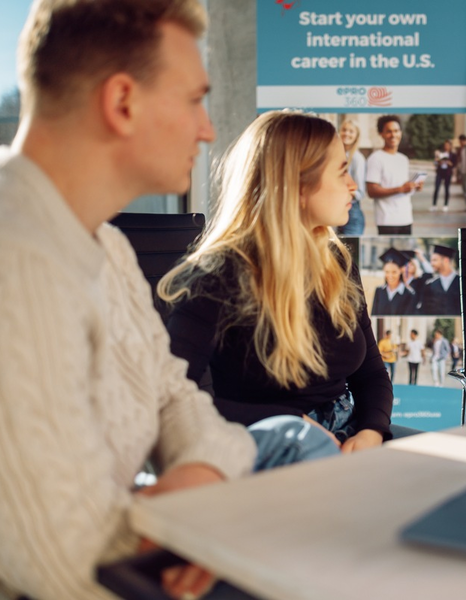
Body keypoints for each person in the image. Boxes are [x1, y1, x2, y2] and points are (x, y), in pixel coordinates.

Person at [0, 2, 339, 600]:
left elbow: (172, 394)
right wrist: (192, 532)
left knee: (305, 459)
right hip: (106, 574)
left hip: (141, 524)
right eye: (193, 100)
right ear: (122, 102)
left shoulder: (104, 243)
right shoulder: (19, 259)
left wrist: (200, 473)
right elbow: (64, 560)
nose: (207, 130)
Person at [160, 111, 393, 449]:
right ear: (298, 187)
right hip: (268, 448)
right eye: (342, 171)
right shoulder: (215, 276)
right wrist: (286, 422)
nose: (353, 185)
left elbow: (371, 373)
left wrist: (371, 430)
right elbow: (173, 399)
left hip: (349, 435)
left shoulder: (337, 263)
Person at [365, 115, 423, 235]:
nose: (393, 135)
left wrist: (414, 187)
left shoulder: (403, 159)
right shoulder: (375, 158)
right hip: (387, 220)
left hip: (406, 218)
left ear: (400, 132)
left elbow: (403, 187)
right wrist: (400, 189)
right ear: (381, 134)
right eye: (389, 131)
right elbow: (371, 191)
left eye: (396, 131)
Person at [337, 119, 366, 236]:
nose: (346, 133)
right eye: (344, 130)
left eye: (351, 131)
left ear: (356, 136)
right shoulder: (337, 155)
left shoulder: (357, 158)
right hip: (338, 211)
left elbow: (360, 193)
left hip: (352, 214)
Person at [371, 247, 417, 315]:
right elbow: (374, 315)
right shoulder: (379, 291)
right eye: (387, 272)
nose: (390, 276)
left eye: (394, 272)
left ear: (401, 270)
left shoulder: (409, 294)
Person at [418, 244, 461, 316]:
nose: (431, 264)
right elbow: (424, 310)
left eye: (435, 260)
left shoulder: (462, 283)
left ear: (446, 260)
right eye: (431, 260)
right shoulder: (430, 285)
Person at [431, 139, 455, 211]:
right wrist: (437, 161)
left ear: (450, 146)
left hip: (448, 173)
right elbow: (435, 163)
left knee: (447, 189)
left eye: (447, 145)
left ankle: (445, 205)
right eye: (445, 145)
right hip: (440, 172)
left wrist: (448, 162)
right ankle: (434, 205)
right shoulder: (440, 153)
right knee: (436, 188)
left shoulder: (453, 155)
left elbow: (454, 165)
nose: (446, 146)